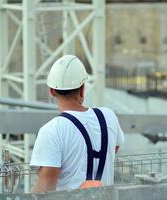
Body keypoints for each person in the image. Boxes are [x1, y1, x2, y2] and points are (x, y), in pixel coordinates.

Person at [30, 55, 125, 192]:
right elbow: (115, 147)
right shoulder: (108, 116)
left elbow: (45, 189)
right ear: (82, 89)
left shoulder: (51, 130)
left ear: (52, 91)